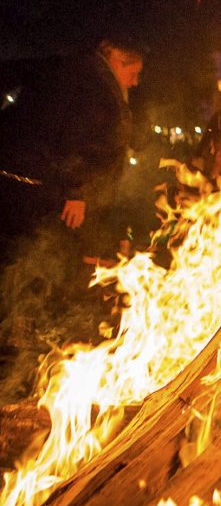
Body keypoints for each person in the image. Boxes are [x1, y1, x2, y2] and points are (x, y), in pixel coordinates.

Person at [0, 38, 143, 349]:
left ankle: (21, 326)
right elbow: (79, 141)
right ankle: (22, 330)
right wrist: (76, 192)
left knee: (27, 254)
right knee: (38, 256)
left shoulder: (73, 68)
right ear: (118, 60)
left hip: (24, 182)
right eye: (134, 72)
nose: (136, 81)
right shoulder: (95, 86)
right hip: (37, 188)